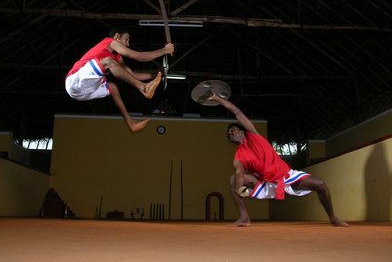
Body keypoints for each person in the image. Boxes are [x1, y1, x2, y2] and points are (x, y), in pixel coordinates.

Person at [208, 92, 349, 227]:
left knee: (320, 184)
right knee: (233, 179)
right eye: (228, 133)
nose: (229, 132)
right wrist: (239, 189)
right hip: (266, 182)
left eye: (232, 129)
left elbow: (237, 112)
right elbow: (239, 173)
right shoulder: (239, 156)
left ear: (242, 131)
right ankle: (244, 218)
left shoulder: (253, 135)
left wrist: (217, 98)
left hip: (286, 176)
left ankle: (333, 218)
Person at [65, 28, 174, 132]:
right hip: (74, 81)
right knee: (108, 62)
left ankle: (131, 123)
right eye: (126, 39)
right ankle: (143, 88)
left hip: (83, 94)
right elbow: (139, 56)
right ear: (117, 36)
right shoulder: (110, 41)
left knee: (113, 87)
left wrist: (156, 74)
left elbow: (132, 75)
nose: (128, 44)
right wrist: (165, 50)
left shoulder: (116, 57)